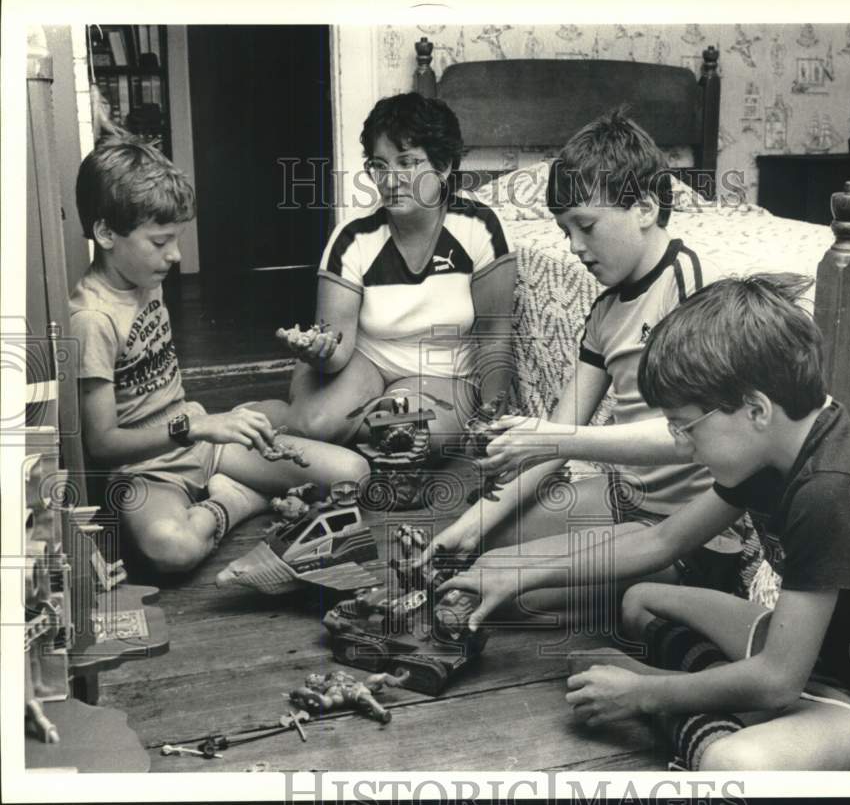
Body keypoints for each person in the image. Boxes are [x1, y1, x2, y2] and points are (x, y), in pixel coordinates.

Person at [440, 274, 850, 771]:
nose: (681, 446)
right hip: (819, 653)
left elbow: (779, 680)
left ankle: (682, 699)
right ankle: (704, 692)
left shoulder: (829, 489)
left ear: (755, 409)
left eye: (685, 427)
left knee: (730, 764)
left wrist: (642, 692)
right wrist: (515, 575)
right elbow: (662, 540)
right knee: (641, 598)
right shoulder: (773, 450)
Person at [417, 109, 745, 601]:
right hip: (625, 499)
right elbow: (557, 433)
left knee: (508, 589)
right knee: (475, 553)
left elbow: (692, 438)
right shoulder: (605, 310)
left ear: (645, 208)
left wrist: (554, 439)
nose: (574, 247)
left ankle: (666, 596)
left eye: (586, 226)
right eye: (564, 230)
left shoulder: (693, 287)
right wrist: (469, 525)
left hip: (690, 531)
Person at [70, 137, 370, 574]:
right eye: (160, 241)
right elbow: (102, 444)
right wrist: (199, 427)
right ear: (105, 233)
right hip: (145, 471)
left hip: (201, 440)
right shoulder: (91, 318)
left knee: (353, 474)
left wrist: (207, 429)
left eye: (177, 239)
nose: (174, 255)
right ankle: (234, 498)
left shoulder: (142, 276)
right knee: (171, 549)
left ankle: (238, 447)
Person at [254, 92, 516, 450]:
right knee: (314, 426)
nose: (390, 180)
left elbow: (495, 335)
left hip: (443, 372)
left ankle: (342, 425)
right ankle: (262, 421)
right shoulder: (353, 237)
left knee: (415, 436)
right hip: (366, 362)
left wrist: (493, 416)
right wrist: (319, 352)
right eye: (379, 165)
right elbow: (338, 351)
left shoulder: (480, 227)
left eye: (407, 163)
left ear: (443, 167)